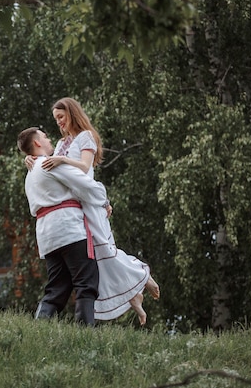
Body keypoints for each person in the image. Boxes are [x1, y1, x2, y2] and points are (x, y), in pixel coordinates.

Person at [26, 97, 159, 326]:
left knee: (104, 252)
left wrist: (59, 160)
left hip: (86, 203)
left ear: (72, 114)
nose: (58, 123)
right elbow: (53, 170)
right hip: (76, 207)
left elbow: (84, 168)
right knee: (94, 264)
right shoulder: (59, 146)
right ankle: (134, 293)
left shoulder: (85, 137)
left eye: (61, 117)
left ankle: (141, 279)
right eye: (55, 119)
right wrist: (36, 158)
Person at [17, 126, 108, 326]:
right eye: (45, 136)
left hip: (46, 236)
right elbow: (84, 184)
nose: (49, 139)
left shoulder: (30, 173)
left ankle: (39, 329)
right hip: (69, 229)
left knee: (56, 288)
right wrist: (104, 201)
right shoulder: (50, 164)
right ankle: (85, 336)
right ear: (37, 143)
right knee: (86, 282)